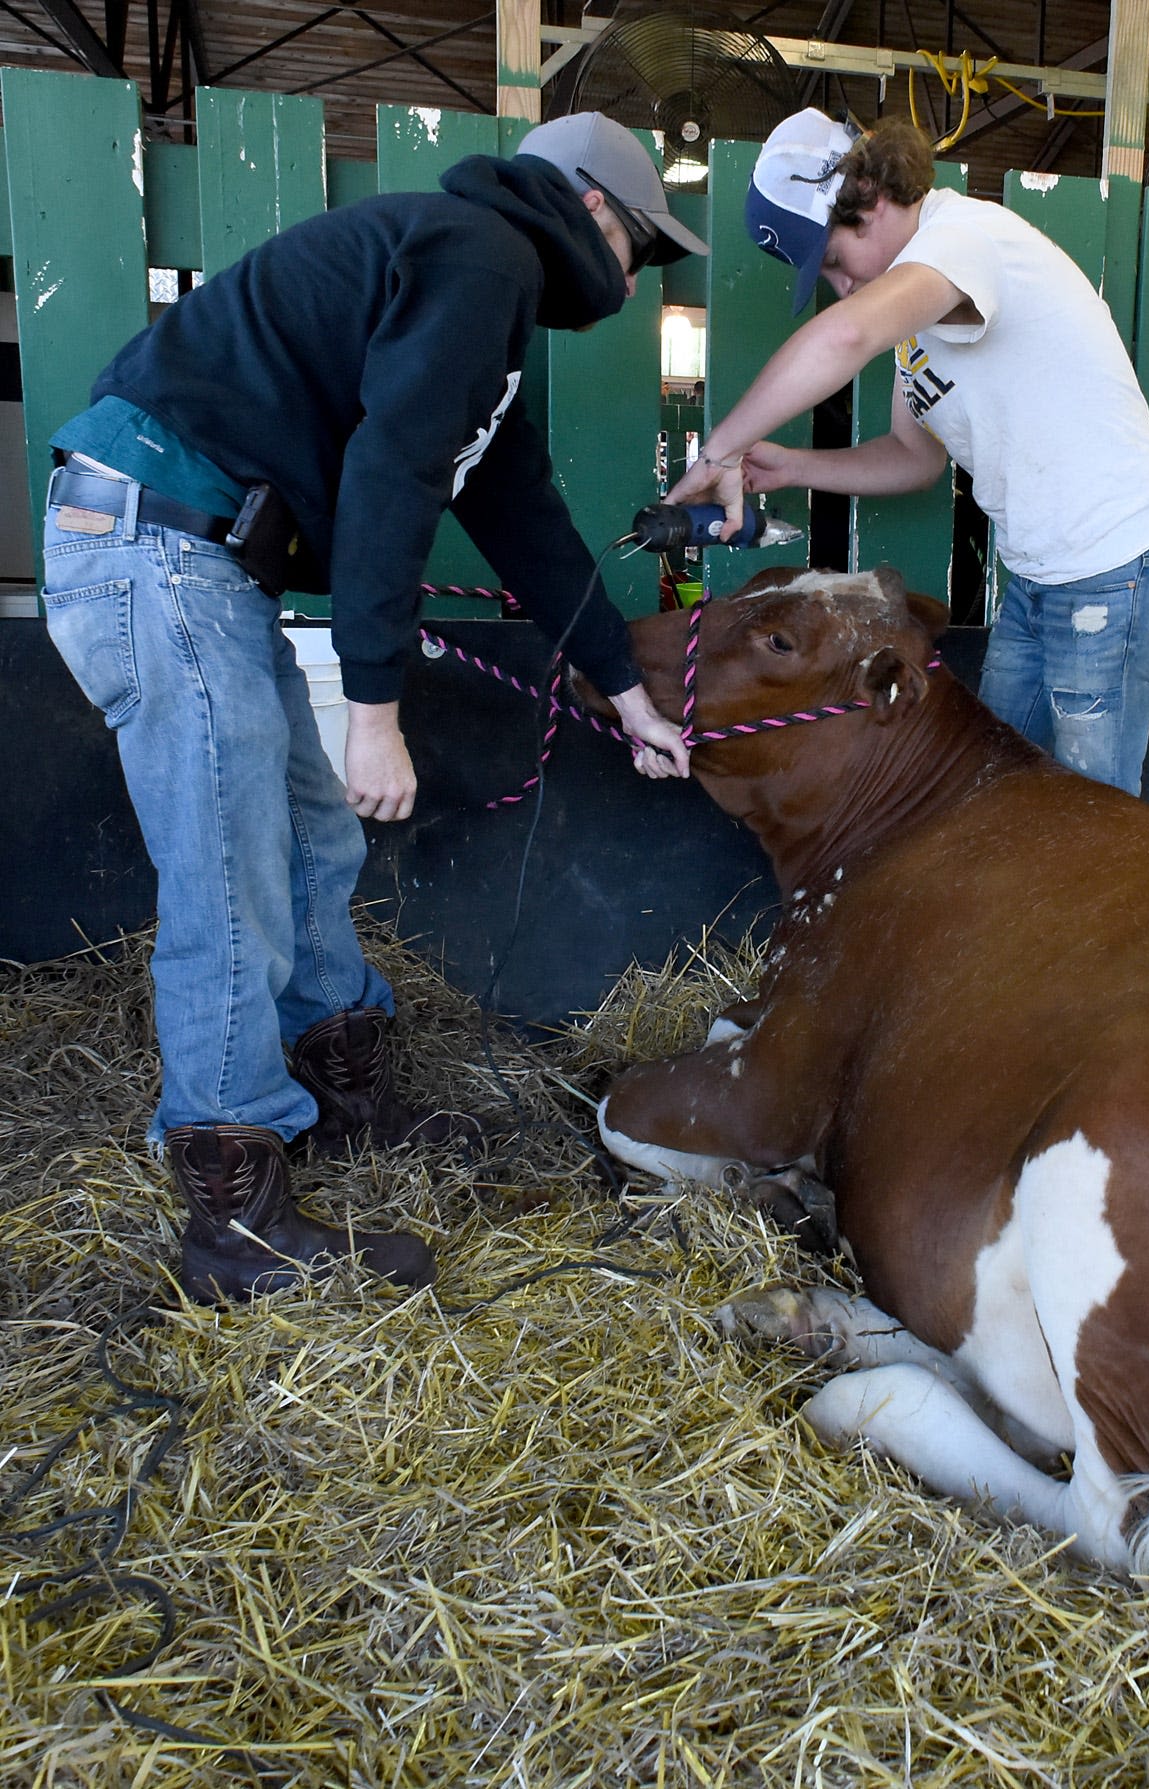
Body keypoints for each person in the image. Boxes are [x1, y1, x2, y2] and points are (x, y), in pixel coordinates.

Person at [40, 112, 701, 1304]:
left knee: (306, 832)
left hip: (203, 563)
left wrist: (626, 695)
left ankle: (339, 1088)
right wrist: (377, 709)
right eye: (644, 248)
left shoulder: (475, 302)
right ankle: (232, 1207)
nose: (636, 276)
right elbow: (391, 471)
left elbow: (523, 521)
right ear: (593, 207)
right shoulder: (479, 254)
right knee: (233, 862)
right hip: (156, 540)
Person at [671, 109, 1149, 797]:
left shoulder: (964, 239)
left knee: (1091, 817)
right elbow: (913, 457)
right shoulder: (918, 316)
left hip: (1117, 574)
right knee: (988, 785)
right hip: (1038, 576)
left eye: (833, 259)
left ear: (872, 198)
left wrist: (720, 452)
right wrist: (791, 465)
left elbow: (844, 338)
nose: (842, 286)